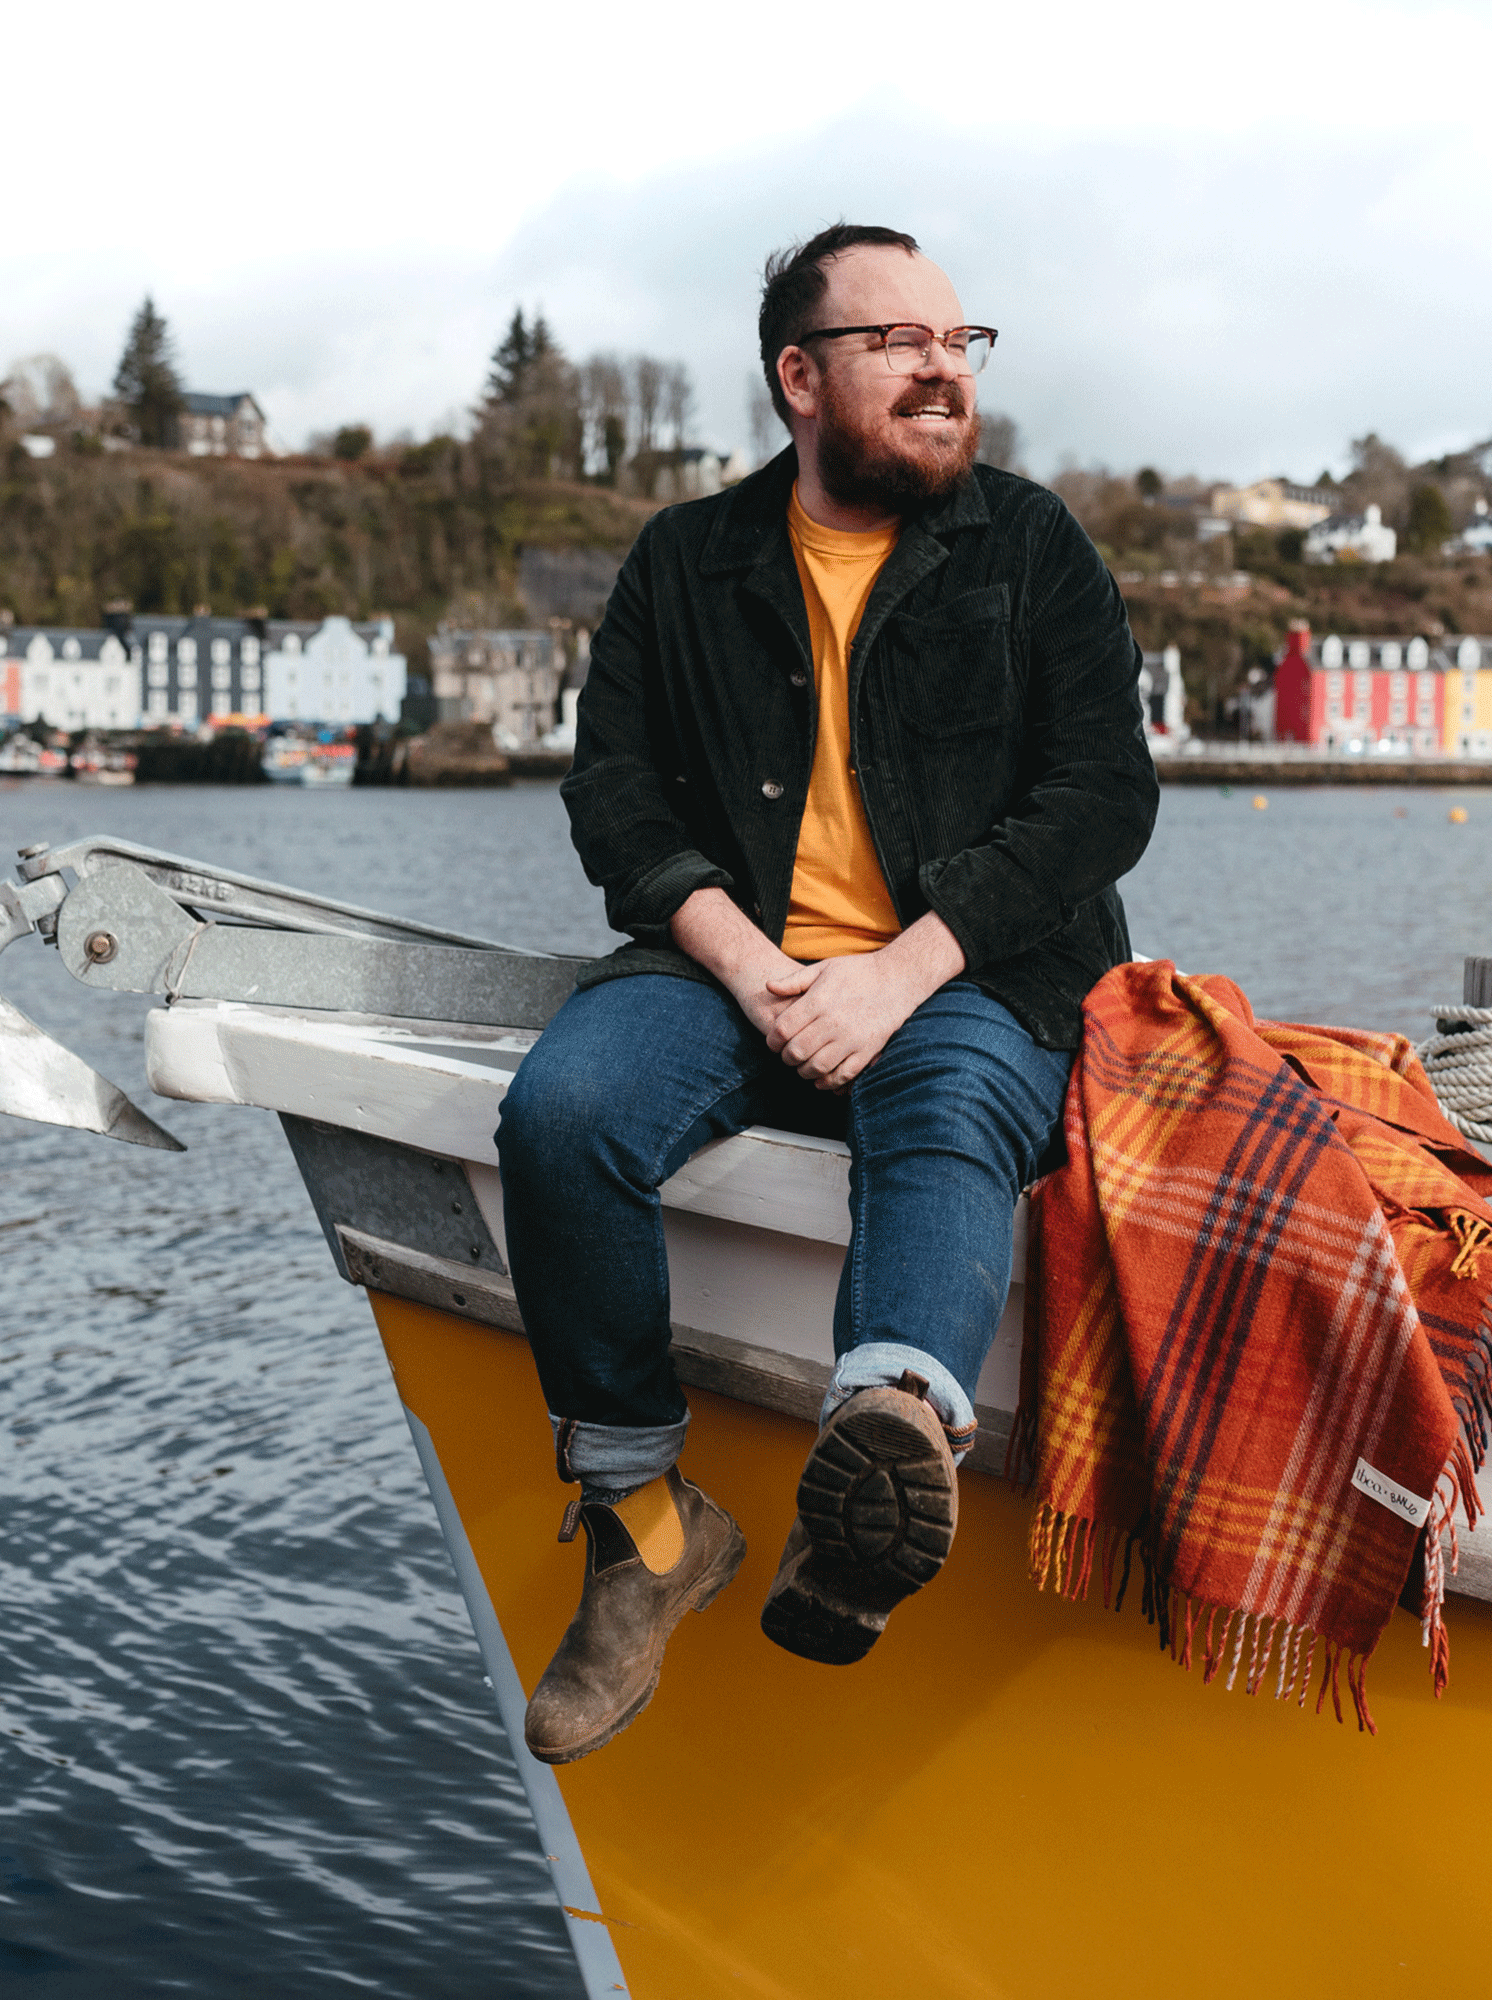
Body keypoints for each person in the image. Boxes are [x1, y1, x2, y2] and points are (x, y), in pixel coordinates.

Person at [496, 222, 1160, 1765]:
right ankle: (647, 1526)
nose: (944, 368)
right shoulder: (685, 561)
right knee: (564, 1112)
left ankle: (878, 1458)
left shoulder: (1033, 546)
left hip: (974, 971)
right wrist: (750, 962)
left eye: (960, 342)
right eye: (900, 343)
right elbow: (616, 803)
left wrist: (903, 971)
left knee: (943, 1121)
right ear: (800, 377)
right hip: (741, 967)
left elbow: (1100, 798)